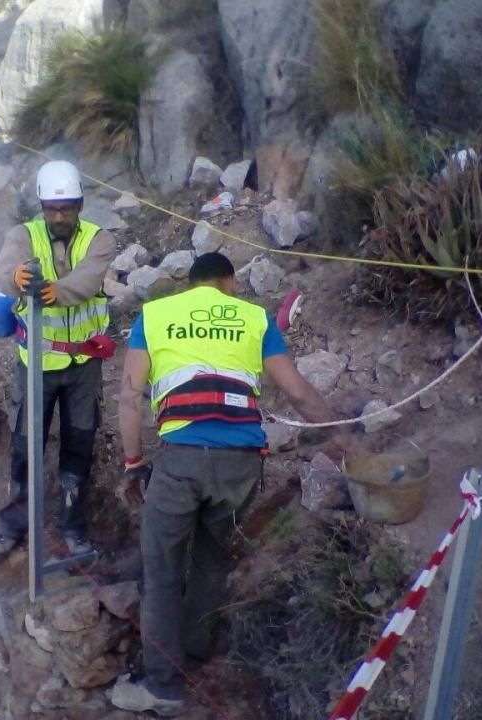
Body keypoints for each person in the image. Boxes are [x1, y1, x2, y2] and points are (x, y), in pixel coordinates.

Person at [109, 252, 350, 716]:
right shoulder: (255, 318)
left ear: (191, 282)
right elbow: (297, 390)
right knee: (211, 560)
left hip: (180, 461)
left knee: (161, 572)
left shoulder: (155, 315)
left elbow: (128, 396)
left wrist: (134, 461)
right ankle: (196, 653)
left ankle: (162, 686)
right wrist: (341, 434)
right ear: (230, 282)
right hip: (241, 464)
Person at [0, 160, 117, 560]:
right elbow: (1, 275)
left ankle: (73, 528)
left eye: (66, 208)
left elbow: (88, 280)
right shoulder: (24, 235)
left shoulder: (99, 239)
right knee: (25, 447)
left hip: (84, 366)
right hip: (36, 364)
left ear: (80, 205)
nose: (58, 217)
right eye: (51, 209)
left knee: (78, 445)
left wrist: (57, 292)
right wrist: (15, 279)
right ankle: (13, 525)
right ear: (41, 207)